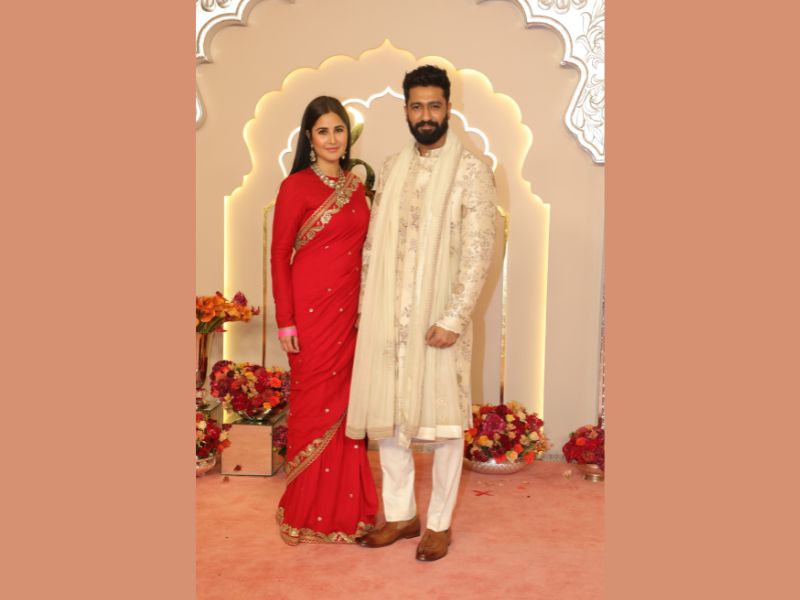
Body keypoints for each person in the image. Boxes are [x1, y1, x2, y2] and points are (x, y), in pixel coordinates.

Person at [346, 66, 497, 561]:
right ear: (406, 110)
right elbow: (373, 246)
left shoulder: (471, 170)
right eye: (417, 106)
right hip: (390, 315)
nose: (425, 115)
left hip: (439, 319)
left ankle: (438, 523)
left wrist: (455, 317)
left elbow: (479, 249)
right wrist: (368, 308)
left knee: (446, 424)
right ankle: (401, 515)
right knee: (391, 418)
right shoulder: (392, 168)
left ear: (449, 107)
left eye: (434, 105)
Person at [271, 96, 378, 545]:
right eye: (322, 131)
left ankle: (346, 510)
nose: (332, 139)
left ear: (347, 135)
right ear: (309, 138)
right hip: (311, 312)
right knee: (314, 408)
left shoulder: (356, 185)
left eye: (338, 130)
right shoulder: (295, 186)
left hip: (350, 313)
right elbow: (279, 255)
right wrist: (286, 322)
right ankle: (302, 510)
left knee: (348, 409)